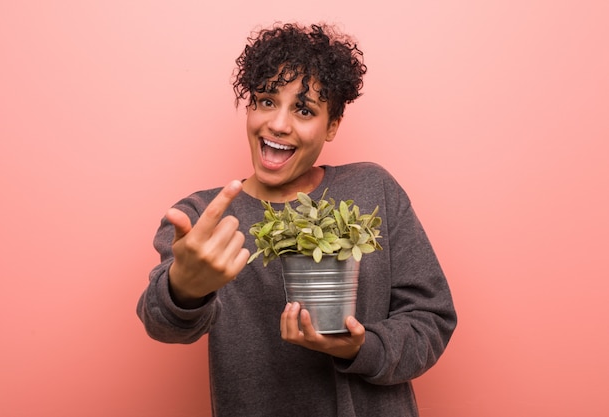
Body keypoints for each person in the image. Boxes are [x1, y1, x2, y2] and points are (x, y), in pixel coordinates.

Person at [137, 22, 456, 417]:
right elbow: (161, 323)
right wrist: (183, 289)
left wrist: (359, 347)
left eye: (304, 110)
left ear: (332, 125)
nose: (279, 124)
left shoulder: (373, 191)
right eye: (266, 101)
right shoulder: (203, 218)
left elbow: (431, 319)